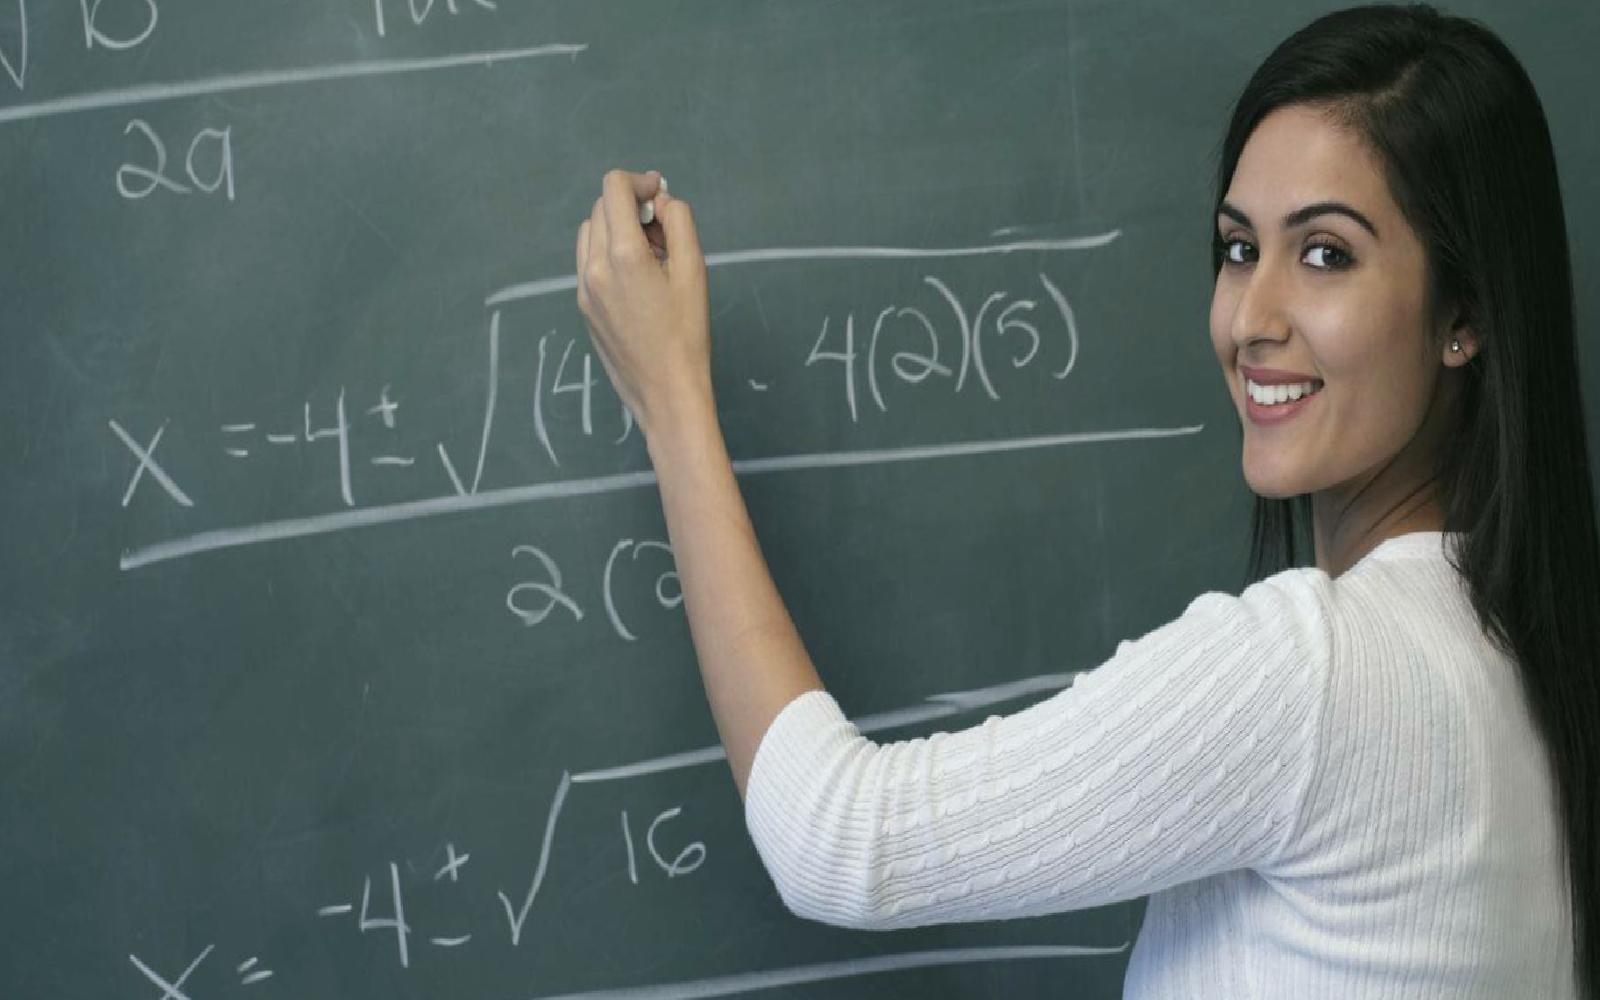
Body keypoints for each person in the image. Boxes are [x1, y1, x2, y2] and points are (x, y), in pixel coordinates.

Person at [571, 3, 1598, 996]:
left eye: (1325, 254)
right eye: (1239, 249)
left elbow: (837, 837)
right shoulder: (1524, 663)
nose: (1252, 316)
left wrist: (673, 403)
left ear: (1463, 315)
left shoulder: (1310, 674)